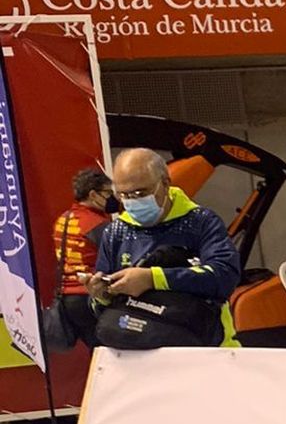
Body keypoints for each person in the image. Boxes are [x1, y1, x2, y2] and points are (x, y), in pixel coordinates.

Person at [89, 148, 241, 349]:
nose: (132, 201)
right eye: (123, 195)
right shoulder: (116, 232)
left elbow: (224, 276)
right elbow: (101, 307)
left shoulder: (200, 222)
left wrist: (152, 279)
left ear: (165, 183)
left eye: (140, 193)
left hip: (205, 349)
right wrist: (101, 295)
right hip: (135, 354)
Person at [47, 166, 115, 350]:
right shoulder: (97, 225)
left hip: (67, 300)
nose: (112, 198)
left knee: (94, 352)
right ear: (93, 195)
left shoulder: (64, 219)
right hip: (90, 297)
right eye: (108, 193)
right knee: (109, 353)